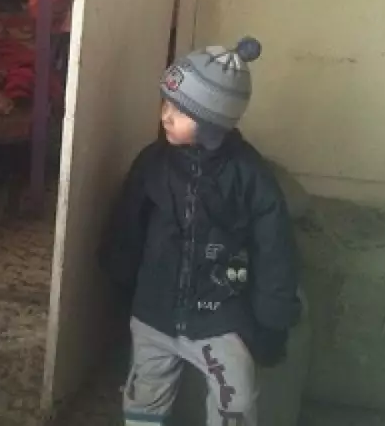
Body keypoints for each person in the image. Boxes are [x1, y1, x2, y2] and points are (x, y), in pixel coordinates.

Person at [98, 37, 300, 426]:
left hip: (220, 317)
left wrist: (274, 321)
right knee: (145, 394)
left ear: (212, 124)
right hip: (154, 312)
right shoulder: (153, 163)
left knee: (236, 399)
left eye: (180, 111)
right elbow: (128, 225)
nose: (165, 116)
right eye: (165, 104)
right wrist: (120, 277)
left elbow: (274, 250)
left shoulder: (249, 176)